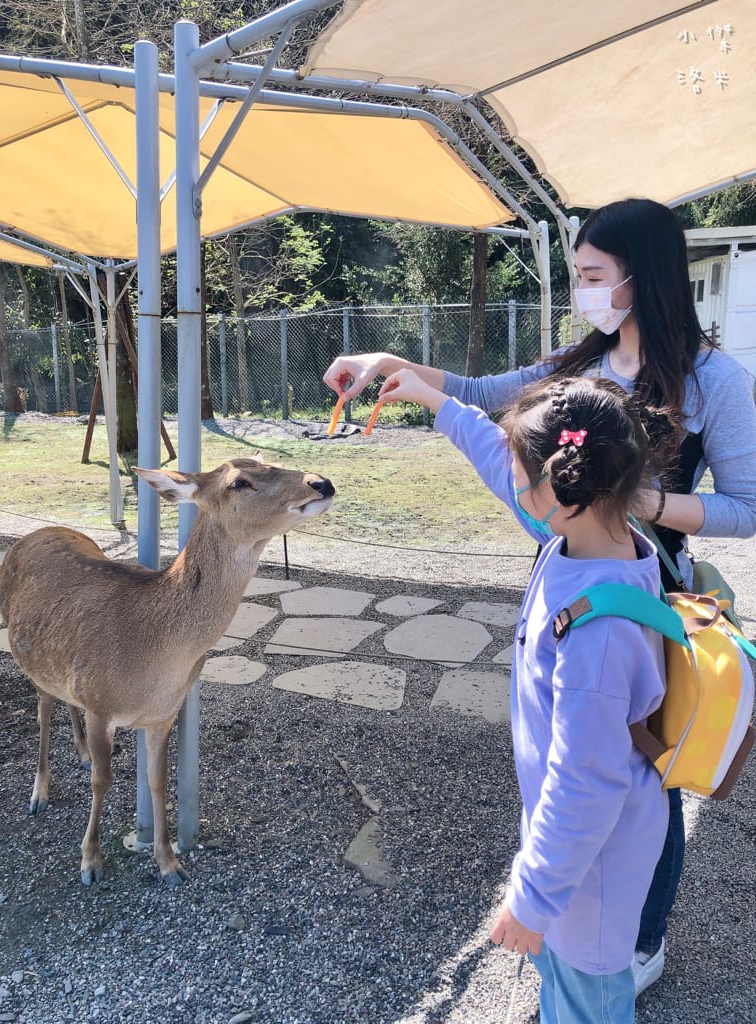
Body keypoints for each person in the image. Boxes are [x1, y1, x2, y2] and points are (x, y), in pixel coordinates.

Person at [323, 198, 756, 993]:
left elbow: (749, 507)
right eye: (578, 275)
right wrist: (393, 367)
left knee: (642, 770)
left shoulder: (715, 381)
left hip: (641, 592)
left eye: (594, 276)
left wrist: (635, 501)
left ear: (645, 277)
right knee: (573, 755)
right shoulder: (580, 361)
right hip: (566, 569)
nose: (583, 290)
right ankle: (574, 907)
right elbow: (488, 393)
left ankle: (636, 935)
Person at [376, 370, 670, 1024]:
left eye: (519, 469)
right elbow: (496, 453)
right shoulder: (594, 541)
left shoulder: (598, 634)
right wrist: (434, 400)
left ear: (564, 492)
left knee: (588, 1002)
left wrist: (533, 901)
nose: (509, 479)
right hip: (581, 856)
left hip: (587, 879)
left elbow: (585, 783)